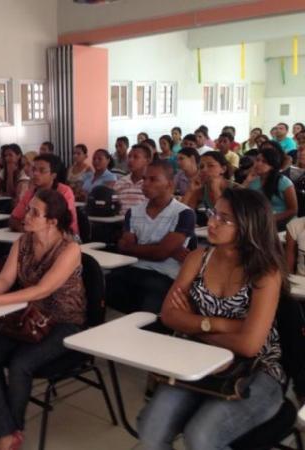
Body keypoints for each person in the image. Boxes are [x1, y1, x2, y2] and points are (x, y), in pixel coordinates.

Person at [138, 188, 286, 450]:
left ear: (248, 225)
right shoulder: (198, 259)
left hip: (257, 369)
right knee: (150, 430)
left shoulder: (265, 272)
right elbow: (170, 315)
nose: (212, 222)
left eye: (224, 219)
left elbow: (250, 346)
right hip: (200, 359)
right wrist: (219, 325)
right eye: (213, 213)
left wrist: (193, 325)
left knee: (201, 437)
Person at [0, 189, 85, 450]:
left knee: (21, 363)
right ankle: (8, 429)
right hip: (30, 317)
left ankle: (12, 431)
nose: (26, 215)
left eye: (35, 212)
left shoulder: (69, 249)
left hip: (65, 321)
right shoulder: (22, 242)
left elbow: (42, 289)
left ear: (52, 221)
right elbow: (5, 279)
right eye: (28, 208)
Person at [107, 160, 196, 314]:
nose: (145, 184)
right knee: (103, 286)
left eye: (153, 179)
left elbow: (159, 254)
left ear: (169, 183)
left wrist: (136, 247)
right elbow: (125, 249)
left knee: (149, 307)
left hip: (164, 276)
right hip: (133, 269)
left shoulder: (183, 213)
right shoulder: (133, 212)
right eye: (145, 179)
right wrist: (160, 248)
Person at [9, 154, 78, 235]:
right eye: (34, 169)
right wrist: (28, 231)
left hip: (66, 238)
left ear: (53, 175)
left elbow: (61, 224)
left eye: (42, 170)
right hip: (36, 237)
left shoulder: (64, 191)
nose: (35, 173)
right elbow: (13, 219)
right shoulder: (31, 192)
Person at [243, 144, 297, 228]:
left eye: (264, 162)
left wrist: (270, 219)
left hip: (282, 222)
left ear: (272, 165)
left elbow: (293, 210)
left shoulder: (283, 182)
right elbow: (241, 199)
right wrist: (247, 181)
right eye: (257, 160)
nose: (258, 164)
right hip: (259, 220)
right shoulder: (253, 179)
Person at [113, 143, 152, 215]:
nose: (130, 160)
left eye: (136, 157)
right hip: (120, 223)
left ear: (148, 160)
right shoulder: (121, 182)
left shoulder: (152, 184)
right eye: (129, 156)